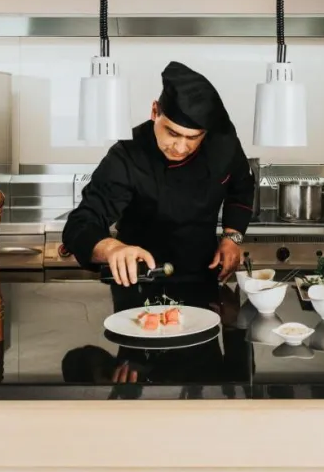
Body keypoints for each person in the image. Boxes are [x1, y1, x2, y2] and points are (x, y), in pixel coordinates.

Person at [62, 61, 256, 311]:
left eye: (193, 138)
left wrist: (232, 237)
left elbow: (242, 186)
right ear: (155, 111)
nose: (181, 147)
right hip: (138, 281)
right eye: (172, 133)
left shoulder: (223, 145)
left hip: (202, 278)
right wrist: (110, 248)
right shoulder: (127, 155)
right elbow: (81, 224)